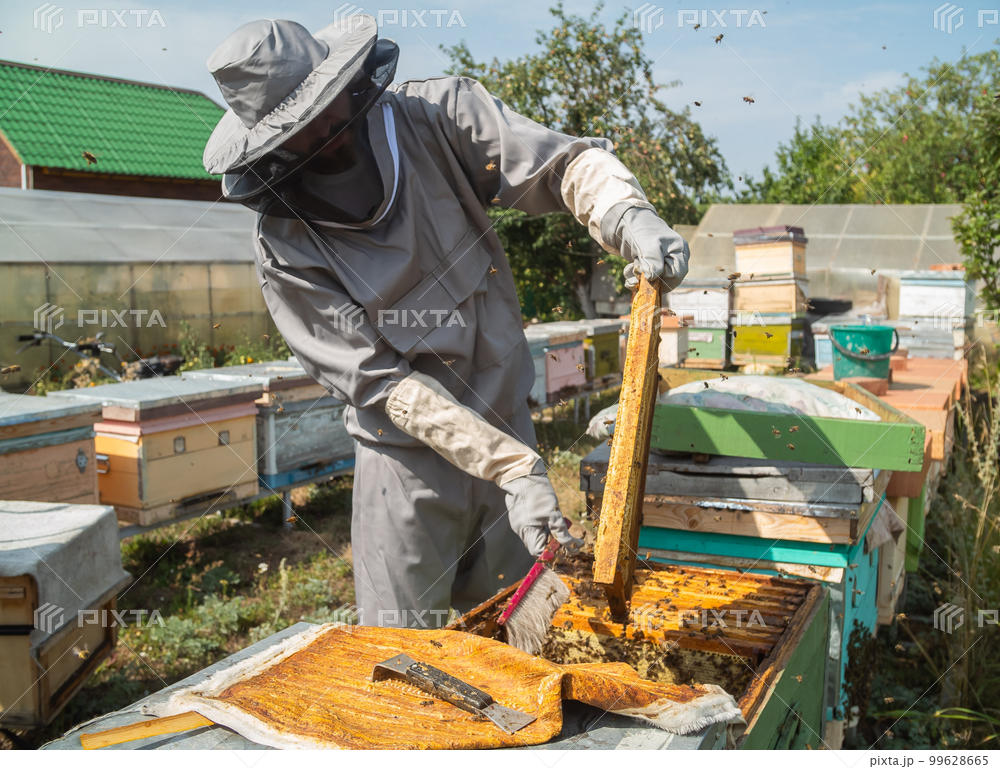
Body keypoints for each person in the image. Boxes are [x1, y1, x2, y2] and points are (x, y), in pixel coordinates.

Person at [203, 15, 689, 628]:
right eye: (301, 131)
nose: (325, 133)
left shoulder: (438, 117)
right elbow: (380, 383)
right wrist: (508, 466)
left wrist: (625, 214)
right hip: (405, 463)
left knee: (526, 633)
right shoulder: (285, 247)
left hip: (508, 419)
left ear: (344, 80)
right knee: (406, 651)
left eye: (325, 111)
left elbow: (558, 163)